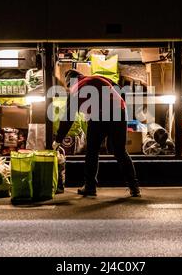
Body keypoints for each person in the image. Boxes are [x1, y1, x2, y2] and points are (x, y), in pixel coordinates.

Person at [53, 69, 141, 197]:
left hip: (98, 116)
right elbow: (119, 89)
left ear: (70, 83)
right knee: (119, 150)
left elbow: (68, 118)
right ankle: (134, 187)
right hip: (118, 111)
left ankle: (90, 187)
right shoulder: (99, 78)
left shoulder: (74, 89)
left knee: (92, 151)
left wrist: (58, 139)